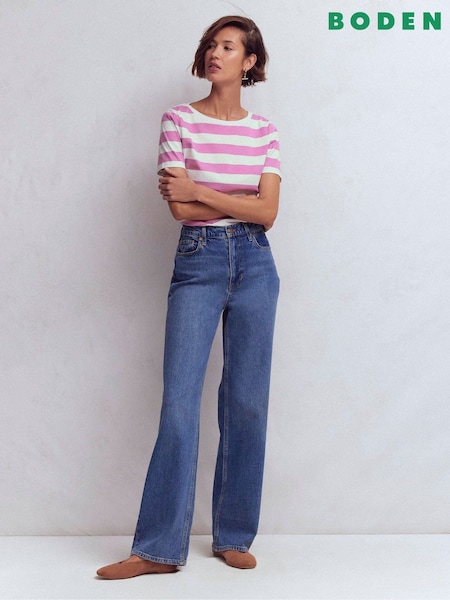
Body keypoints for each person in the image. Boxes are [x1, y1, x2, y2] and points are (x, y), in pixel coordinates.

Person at [97, 14, 281, 579]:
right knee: (179, 403)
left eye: (228, 46)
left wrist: (202, 188)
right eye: (210, 45)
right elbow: (179, 209)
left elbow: (268, 213)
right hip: (198, 260)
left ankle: (233, 534)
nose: (214, 53)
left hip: (256, 264)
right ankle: (156, 548)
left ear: (249, 61)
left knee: (246, 402)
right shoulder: (178, 120)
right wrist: (233, 199)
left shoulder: (264, 131)